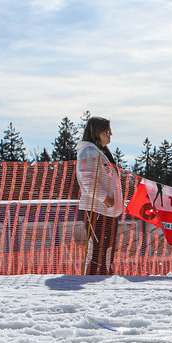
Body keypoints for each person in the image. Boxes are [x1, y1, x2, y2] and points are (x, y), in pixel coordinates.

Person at [75, 117, 123, 276]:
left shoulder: (101, 152)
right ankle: (92, 281)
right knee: (98, 248)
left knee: (107, 247)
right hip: (96, 209)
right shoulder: (88, 150)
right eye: (107, 131)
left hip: (108, 210)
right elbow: (87, 180)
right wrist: (105, 199)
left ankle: (104, 278)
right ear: (97, 132)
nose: (111, 134)